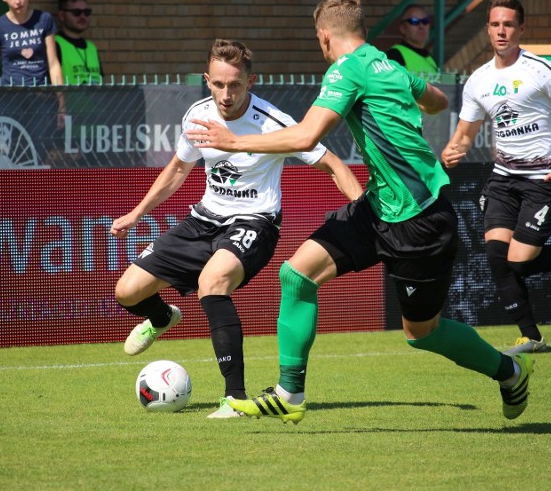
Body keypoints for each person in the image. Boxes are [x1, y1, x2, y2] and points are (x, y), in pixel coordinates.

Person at [186, 0, 535, 425]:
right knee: (296, 274)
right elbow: (439, 100)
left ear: (324, 36)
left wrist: (232, 141)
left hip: (418, 220)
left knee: (422, 333)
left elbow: (305, 137)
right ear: (364, 33)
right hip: (379, 207)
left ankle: (510, 370)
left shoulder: (346, 70)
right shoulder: (388, 64)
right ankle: (289, 392)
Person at [110, 39, 362, 419]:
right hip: (203, 219)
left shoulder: (274, 121)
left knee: (212, 283)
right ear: (207, 80)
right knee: (126, 292)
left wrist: (364, 214)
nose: (226, 94)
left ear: (251, 81)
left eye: (236, 85)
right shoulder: (197, 115)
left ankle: (235, 399)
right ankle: (162, 317)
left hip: (255, 222)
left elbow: (335, 166)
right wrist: (137, 213)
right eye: (219, 85)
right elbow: (178, 169)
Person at [441, 0, 551, 356]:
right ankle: (533, 338)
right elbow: (465, 134)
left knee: (519, 262)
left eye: (509, 24)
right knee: (498, 259)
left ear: (521, 28)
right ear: (487, 29)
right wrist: (453, 150)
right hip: (502, 179)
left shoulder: (541, 70)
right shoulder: (478, 80)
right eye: (495, 24)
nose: (501, 31)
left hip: (545, 180)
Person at [55, 0, 103, 85]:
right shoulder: (55, 44)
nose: (82, 16)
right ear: (62, 15)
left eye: (86, 12)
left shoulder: (91, 48)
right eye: (76, 12)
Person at [384, 5, 438, 75]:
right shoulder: (394, 56)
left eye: (425, 21)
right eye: (414, 21)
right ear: (402, 28)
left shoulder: (430, 58)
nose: (421, 26)